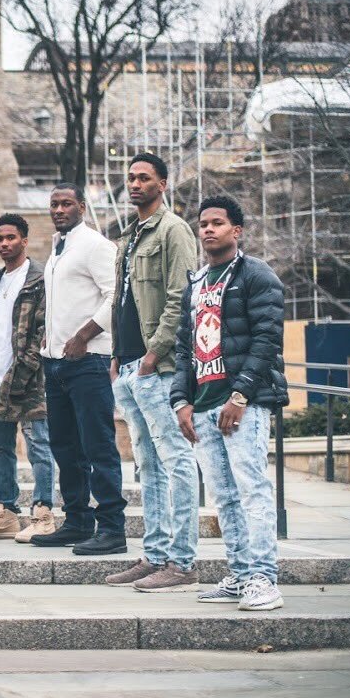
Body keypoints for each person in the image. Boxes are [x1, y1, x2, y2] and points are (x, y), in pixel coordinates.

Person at [173, 195, 288, 611]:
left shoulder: (257, 275)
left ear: (236, 231)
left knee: (252, 489)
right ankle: (240, 575)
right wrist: (180, 400)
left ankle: (263, 578)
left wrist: (240, 395)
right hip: (203, 406)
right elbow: (185, 345)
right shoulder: (198, 281)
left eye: (217, 223)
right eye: (203, 223)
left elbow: (267, 339)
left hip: (242, 404)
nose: (207, 229)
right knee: (224, 496)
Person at [106, 152, 201, 589]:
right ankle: (155, 553)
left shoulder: (173, 230)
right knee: (147, 464)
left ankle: (182, 562)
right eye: (131, 178)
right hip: (128, 364)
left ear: (163, 184)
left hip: (158, 366)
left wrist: (152, 353)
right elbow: (121, 300)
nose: (135, 184)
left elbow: (183, 297)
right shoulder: (130, 236)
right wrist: (118, 355)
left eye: (144, 177)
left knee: (176, 461)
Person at [31, 184, 128, 554]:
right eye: (54, 204)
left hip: (89, 361)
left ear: (82, 207)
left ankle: (112, 530)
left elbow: (114, 295)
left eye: (66, 203)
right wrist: (49, 339)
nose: (59, 209)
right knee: (65, 447)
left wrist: (83, 335)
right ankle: (76, 521)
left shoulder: (96, 245)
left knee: (98, 446)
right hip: (56, 364)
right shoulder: (58, 248)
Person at [0, 214, 56, 540]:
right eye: (0, 238)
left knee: (39, 447)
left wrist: (26, 369)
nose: (5, 244)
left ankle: (43, 514)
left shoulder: (39, 278)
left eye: (11, 238)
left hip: (30, 381)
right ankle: (6, 513)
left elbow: (42, 330)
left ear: (24, 240)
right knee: (1, 448)